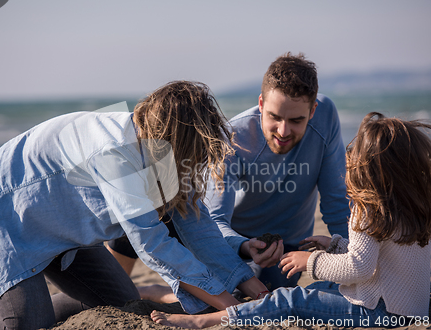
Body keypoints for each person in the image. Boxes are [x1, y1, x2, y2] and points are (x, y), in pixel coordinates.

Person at [0, 81, 268, 330]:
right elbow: (154, 245)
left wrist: (243, 280)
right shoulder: (116, 153)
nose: (194, 162)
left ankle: (5, 306)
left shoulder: (161, 148)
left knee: (120, 302)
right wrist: (227, 307)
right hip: (2, 215)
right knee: (27, 325)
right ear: (175, 138)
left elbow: (196, 222)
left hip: (62, 230)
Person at [150, 112, 431, 328]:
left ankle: (209, 320)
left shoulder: (369, 208)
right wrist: (334, 244)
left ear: (367, 169)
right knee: (322, 289)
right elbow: (381, 257)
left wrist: (309, 262)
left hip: (380, 313)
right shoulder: (411, 205)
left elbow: (358, 267)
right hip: (411, 309)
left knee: (289, 298)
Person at [107, 52, 350, 292]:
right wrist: (244, 245)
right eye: (274, 117)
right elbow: (215, 221)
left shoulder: (326, 116)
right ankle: (124, 288)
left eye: (296, 120)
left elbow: (336, 201)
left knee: (262, 291)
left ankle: (154, 293)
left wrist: (352, 259)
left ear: (313, 111)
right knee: (150, 203)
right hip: (234, 243)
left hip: (287, 251)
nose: (283, 131)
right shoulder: (233, 141)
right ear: (261, 104)